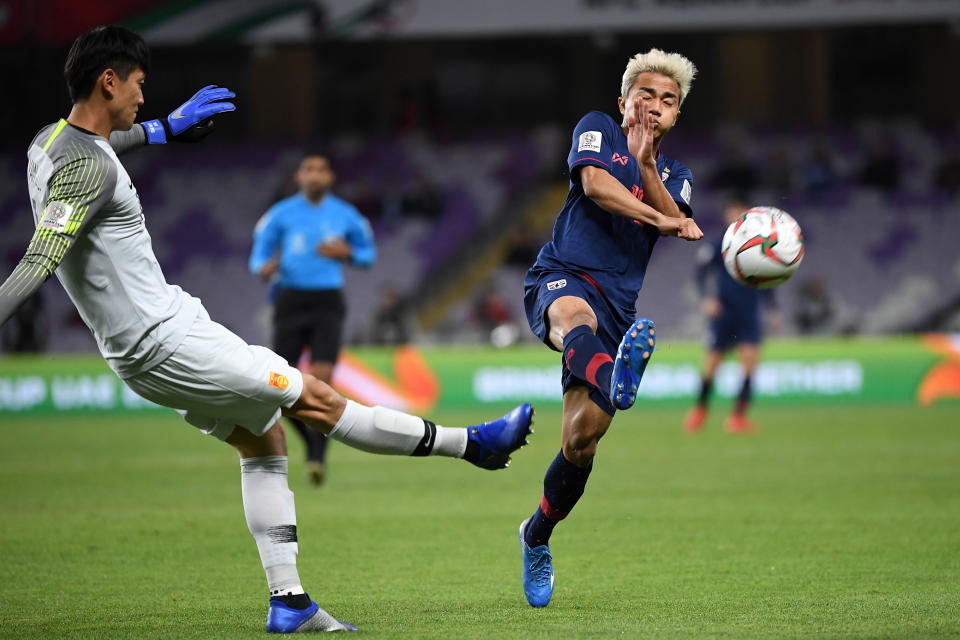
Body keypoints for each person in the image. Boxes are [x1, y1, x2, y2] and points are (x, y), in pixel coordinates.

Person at [0, 26, 534, 634]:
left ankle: (290, 602)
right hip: (165, 337)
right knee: (313, 396)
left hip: (141, 347)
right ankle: (472, 446)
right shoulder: (88, 172)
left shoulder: (47, 143)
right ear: (109, 80)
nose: (144, 100)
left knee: (264, 441)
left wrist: (166, 130)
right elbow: (39, 260)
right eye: (140, 86)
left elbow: (107, 140)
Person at [517, 48, 703, 608]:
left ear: (675, 117)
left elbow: (677, 215)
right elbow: (598, 187)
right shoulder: (597, 128)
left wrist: (650, 173)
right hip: (564, 274)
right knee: (574, 317)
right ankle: (616, 375)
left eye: (667, 101)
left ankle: (535, 535)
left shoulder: (677, 174)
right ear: (623, 102)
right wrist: (663, 218)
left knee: (580, 443)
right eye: (645, 94)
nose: (655, 105)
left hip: (621, 307)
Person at [250, 152, 376, 487]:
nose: (315, 175)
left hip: (326, 302)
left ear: (331, 177)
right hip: (289, 300)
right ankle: (315, 444)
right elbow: (259, 255)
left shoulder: (346, 215)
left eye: (321, 170)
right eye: (309, 169)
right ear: (299, 176)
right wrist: (264, 268)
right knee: (280, 385)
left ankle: (316, 454)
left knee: (321, 380)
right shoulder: (280, 215)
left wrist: (347, 253)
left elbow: (367, 255)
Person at [684, 198, 782, 434]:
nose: (735, 216)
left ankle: (738, 418)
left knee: (749, 363)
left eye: (740, 212)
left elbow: (766, 279)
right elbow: (700, 273)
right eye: (732, 212)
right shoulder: (720, 243)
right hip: (724, 313)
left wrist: (772, 308)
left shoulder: (759, 246)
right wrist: (707, 298)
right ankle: (700, 410)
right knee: (712, 363)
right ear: (727, 216)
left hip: (749, 313)